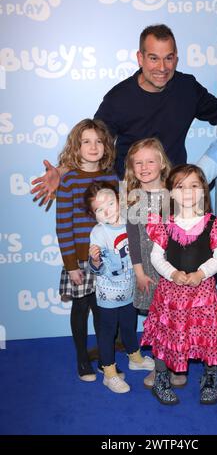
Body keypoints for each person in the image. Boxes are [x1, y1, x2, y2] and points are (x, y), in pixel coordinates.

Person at [30, 23, 217, 202]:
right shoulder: (118, 99)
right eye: (153, 58)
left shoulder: (187, 88)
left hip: (173, 195)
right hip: (132, 195)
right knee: (141, 236)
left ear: (176, 58)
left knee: (188, 232)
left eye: (168, 58)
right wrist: (61, 172)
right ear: (140, 58)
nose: (162, 67)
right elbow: (94, 144)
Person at [141, 164, 217, 405]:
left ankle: (210, 377)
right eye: (180, 186)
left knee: (209, 335)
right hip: (170, 293)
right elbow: (156, 257)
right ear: (171, 193)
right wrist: (172, 273)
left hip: (202, 295)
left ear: (204, 191)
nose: (187, 191)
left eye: (194, 185)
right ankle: (162, 377)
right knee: (165, 336)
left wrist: (202, 273)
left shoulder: (215, 224)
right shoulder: (163, 224)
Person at [56, 118, 118, 382]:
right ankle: (82, 357)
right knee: (82, 308)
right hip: (80, 261)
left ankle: (106, 360)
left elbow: (119, 219)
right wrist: (71, 265)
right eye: (86, 141)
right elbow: (63, 226)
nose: (93, 147)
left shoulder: (112, 177)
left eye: (99, 141)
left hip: (108, 259)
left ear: (106, 146)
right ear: (76, 146)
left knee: (104, 311)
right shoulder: (68, 180)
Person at [125, 137, 188, 389]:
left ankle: (175, 366)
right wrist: (139, 272)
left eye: (150, 161)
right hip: (149, 272)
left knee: (176, 322)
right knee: (158, 324)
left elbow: (186, 233)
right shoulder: (132, 197)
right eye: (138, 162)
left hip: (174, 269)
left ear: (162, 163)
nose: (144, 166)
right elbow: (133, 238)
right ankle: (160, 369)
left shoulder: (175, 195)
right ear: (131, 167)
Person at [85, 181, 154, 393]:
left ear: (119, 200)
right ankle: (109, 373)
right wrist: (95, 261)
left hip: (130, 290)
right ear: (93, 213)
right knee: (107, 333)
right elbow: (96, 268)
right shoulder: (99, 233)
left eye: (111, 203)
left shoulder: (129, 221)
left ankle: (134, 357)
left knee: (129, 325)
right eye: (99, 209)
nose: (107, 211)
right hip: (109, 296)